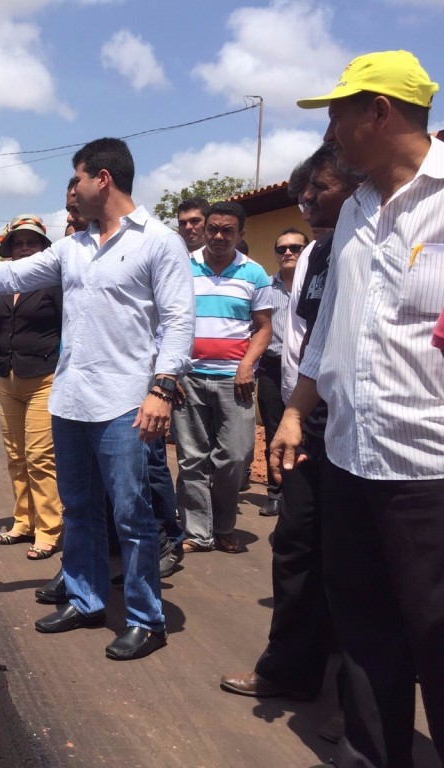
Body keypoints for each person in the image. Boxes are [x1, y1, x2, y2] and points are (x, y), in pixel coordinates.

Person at [0, 138, 195, 661]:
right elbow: (15, 274)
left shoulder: (160, 242)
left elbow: (179, 320)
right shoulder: (73, 248)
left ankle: (145, 618)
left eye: (77, 179)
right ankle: (86, 599)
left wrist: (162, 387)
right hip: (69, 401)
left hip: (125, 404)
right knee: (82, 510)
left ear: (103, 179)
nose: (73, 190)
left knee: (132, 515)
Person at [272, 50, 444, 767]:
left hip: (429, 471)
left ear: (379, 111)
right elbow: (331, 326)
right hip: (349, 457)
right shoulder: (355, 212)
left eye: (339, 113)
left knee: (437, 637)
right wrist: (293, 411)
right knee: (366, 630)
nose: (332, 131)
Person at [221, 144, 364, 716]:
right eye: (302, 193)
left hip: (363, 419)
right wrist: (293, 415)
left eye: (319, 189)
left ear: (356, 188)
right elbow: (305, 340)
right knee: (296, 544)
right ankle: (291, 669)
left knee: (358, 563)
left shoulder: (372, 246)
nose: (306, 201)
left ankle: (362, 711)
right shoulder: (312, 259)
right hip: (309, 417)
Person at [173, 201, 272, 554]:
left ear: (240, 234)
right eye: (212, 228)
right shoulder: (183, 267)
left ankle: (224, 524)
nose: (217, 236)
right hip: (189, 378)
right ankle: (198, 533)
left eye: (227, 230)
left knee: (235, 456)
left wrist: (247, 365)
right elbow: (167, 321)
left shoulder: (255, 273)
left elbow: (263, 328)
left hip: (237, 382)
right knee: (191, 458)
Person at [0, 215, 63, 560]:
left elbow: (71, 329)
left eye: (32, 242)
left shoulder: (55, 284)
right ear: (9, 250)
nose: (25, 248)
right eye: (19, 243)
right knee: (15, 455)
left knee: (40, 456)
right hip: (9, 379)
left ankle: (49, 529)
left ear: (44, 247)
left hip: (45, 378)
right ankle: (23, 522)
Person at [255, 228, 308, 517]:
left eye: (295, 248)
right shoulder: (265, 287)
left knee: (307, 431)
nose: (288, 252)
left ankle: (303, 493)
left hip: (308, 371)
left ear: (306, 251)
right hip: (272, 369)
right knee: (274, 430)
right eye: (282, 248)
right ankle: (276, 494)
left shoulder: (316, 285)